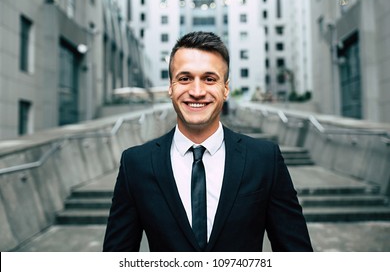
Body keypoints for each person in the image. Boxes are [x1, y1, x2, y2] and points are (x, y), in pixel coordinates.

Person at [103, 31, 313, 252]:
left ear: (226, 89)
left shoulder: (264, 159)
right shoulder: (135, 163)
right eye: (184, 78)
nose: (196, 91)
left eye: (209, 79)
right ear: (170, 87)